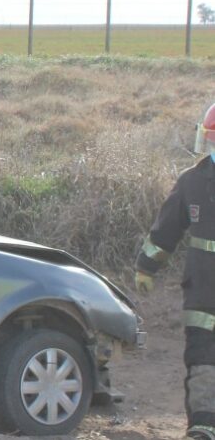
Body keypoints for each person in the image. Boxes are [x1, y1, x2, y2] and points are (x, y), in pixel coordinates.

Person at [134, 102, 215, 440]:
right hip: (203, 289)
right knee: (202, 358)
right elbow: (167, 228)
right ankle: (203, 425)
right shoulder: (192, 181)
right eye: (211, 140)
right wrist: (146, 266)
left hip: (201, 285)